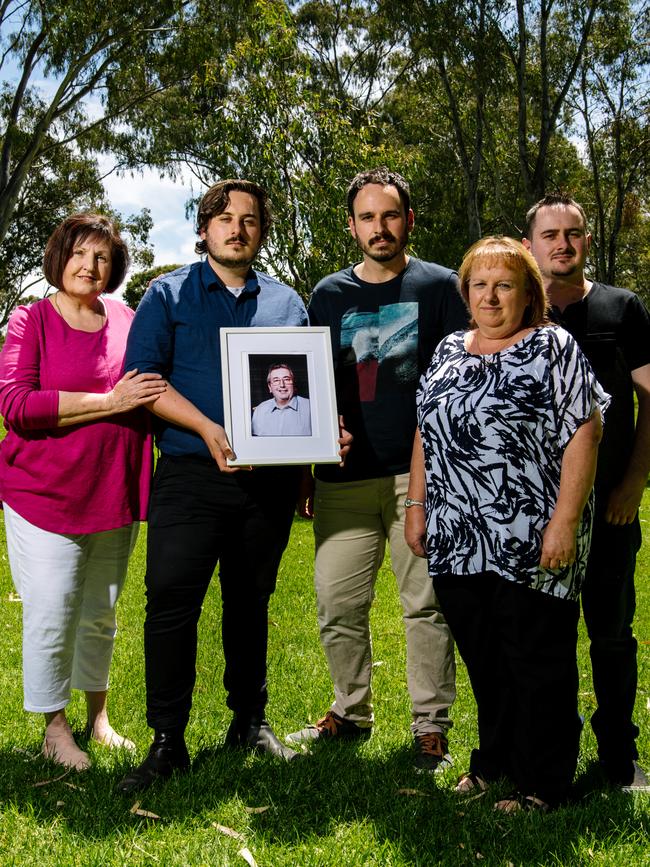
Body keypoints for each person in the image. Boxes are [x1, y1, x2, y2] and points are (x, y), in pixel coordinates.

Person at [119, 179, 327, 794]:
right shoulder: (168, 294)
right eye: (224, 218)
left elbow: (307, 389)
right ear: (205, 228)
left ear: (262, 230)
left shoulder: (287, 304)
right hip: (188, 475)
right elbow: (143, 380)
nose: (238, 228)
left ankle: (249, 723)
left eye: (250, 220)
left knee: (250, 602)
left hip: (268, 486)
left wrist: (308, 464)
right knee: (171, 604)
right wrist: (209, 429)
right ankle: (167, 740)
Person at [406, 236, 608, 811]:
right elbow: (426, 430)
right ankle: (493, 763)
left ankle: (544, 782)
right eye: (479, 285)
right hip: (457, 538)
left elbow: (585, 433)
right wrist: (416, 505)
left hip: (532, 535)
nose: (490, 296)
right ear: (465, 292)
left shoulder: (553, 347)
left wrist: (565, 521)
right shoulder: (447, 350)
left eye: (505, 285)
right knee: (485, 658)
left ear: (528, 295)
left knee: (536, 660)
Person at [287, 167, 466, 772]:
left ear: (408, 221)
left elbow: (456, 382)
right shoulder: (329, 295)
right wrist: (307, 463)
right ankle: (351, 712)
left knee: (425, 605)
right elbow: (314, 385)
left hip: (420, 477)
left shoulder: (441, 288)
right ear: (352, 226)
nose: (379, 227)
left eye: (390, 215)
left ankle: (430, 729)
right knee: (337, 605)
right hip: (343, 477)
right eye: (368, 217)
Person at [0, 213, 165, 771]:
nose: (89, 266)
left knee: (100, 613)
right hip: (44, 496)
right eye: (79, 253)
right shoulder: (31, 320)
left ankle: (98, 717)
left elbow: (157, 382)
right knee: (52, 612)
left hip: (114, 491)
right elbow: (17, 406)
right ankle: (53, 728)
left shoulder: (126, 316)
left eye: (101, 257)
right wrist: (108, 402)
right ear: (59, 257)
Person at [523, 194, 650, 792]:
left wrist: (632, 482)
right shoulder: (517, 314)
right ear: (531, 245)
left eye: (573, 234)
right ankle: (551, 752)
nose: (562, 245)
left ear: (587, 242)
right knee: (543, 637)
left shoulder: (621, 308)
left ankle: (619, 758)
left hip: (609, 503)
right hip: (529, 508)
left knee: (610, 632)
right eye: (550, 235)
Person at [252, 362, 312, 436]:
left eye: (286, 379)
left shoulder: (311, 408)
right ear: (270, 387)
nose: (282, 385)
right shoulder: (260, 410)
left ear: (294, 384)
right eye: (276, 380)